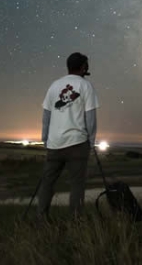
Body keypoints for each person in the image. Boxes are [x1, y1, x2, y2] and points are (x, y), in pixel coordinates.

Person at [37, 52, 100, 219]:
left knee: (47, 183)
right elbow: (90, 118)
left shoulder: (54, 86)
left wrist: (45, 138)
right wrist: (91, 141)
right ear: (84, 67)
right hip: (78, 143)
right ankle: (75, 222)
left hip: (54, 144)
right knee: (77, 185)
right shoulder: (86, 86)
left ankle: (41, 218)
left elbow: (46, 115)